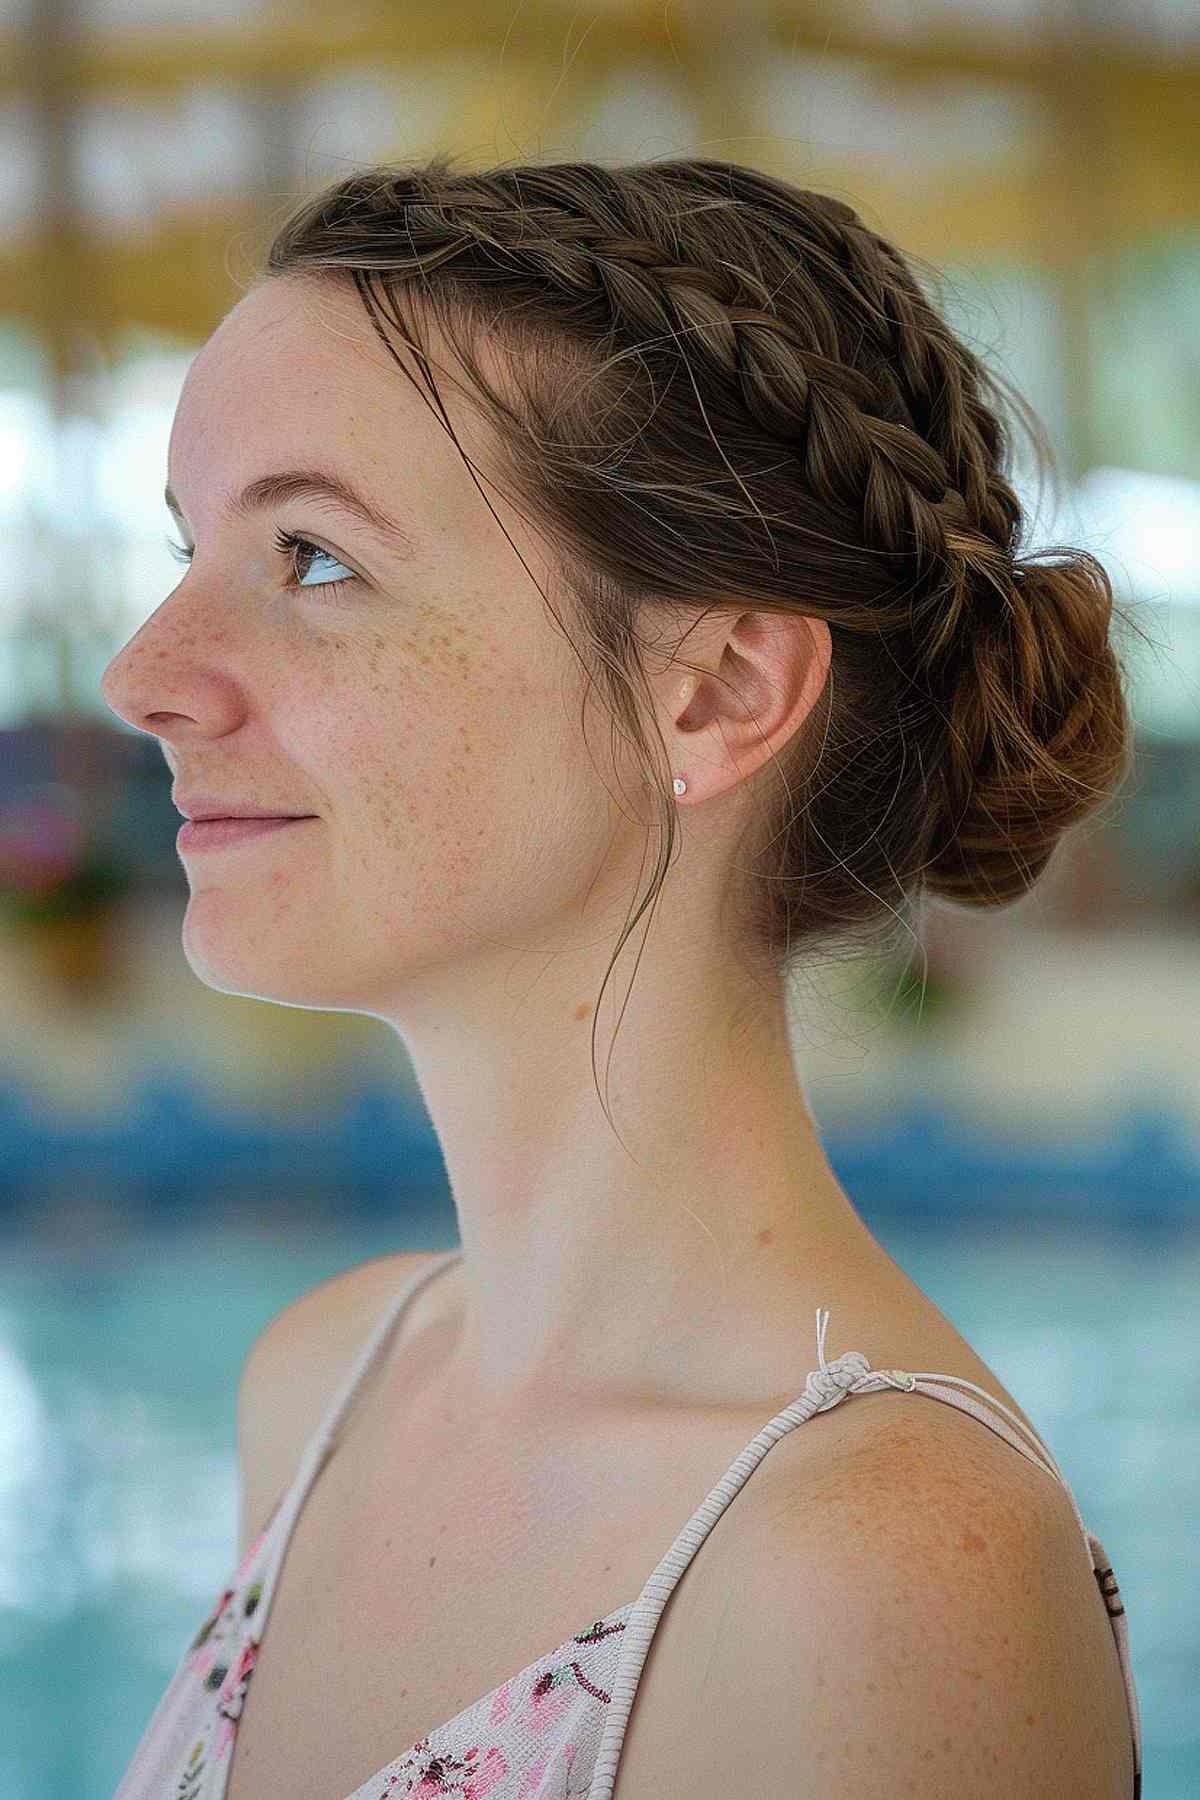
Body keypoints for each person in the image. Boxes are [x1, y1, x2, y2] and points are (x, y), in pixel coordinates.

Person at [102, 153, 1143, 1799]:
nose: (144, 673)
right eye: (188, 547)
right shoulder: (319, 1384)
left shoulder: (881, 1574)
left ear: (718, 691)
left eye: (312, 559)